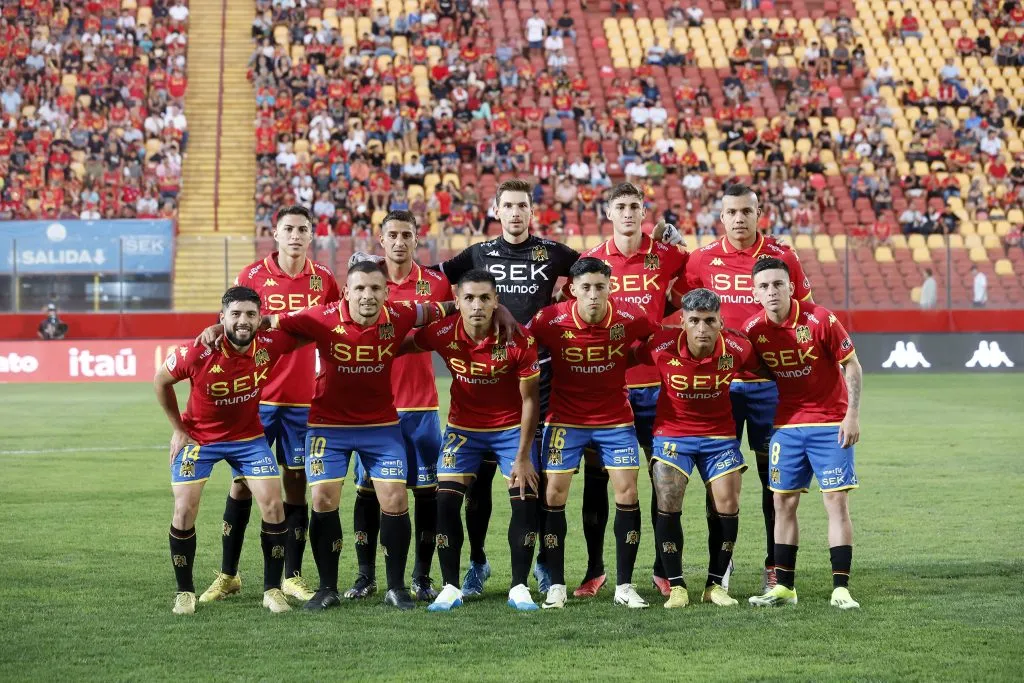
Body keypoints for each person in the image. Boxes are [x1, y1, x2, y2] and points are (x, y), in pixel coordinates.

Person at [431, 179, 579, 596]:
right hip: (487, 382)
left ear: (533, 212)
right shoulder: (478, 254)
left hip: (542, 380)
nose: (515, 213)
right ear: (496, 210)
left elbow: (593, 273)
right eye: (508, 206)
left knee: (542, 482)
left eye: (523, 206)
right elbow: (435, 277)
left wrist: (565, 296)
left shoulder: (553, 253)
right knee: (475, 484)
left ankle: (546, 567)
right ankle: (477, 561)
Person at [669, 183, 813, 594]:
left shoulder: (782, 257)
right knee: (720, 481)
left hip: (771, 387)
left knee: (776, 480)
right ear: (722, 217)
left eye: (746, 211)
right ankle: (722, 566)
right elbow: (676, 303)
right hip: (721, 388)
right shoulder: (702, 259)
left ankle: (774, 564)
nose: (739, 219)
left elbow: (804, 311)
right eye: (731, 212)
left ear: (759, 212)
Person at [199, 206, 340, 606]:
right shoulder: (252, 276)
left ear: (311, 236)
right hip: (256, 398)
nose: (295, 235)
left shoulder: (324, 280)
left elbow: (335, 326)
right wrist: (213, 326)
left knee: (296, 484)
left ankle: (292, 576)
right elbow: (229, 322)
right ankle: (228, 575)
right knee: (243, 484)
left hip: (303, 399)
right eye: (288, 229)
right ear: (275, 234)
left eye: (303, 230)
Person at [569, 183, 687, 598]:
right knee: (597, 481)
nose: (628, 213)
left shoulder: (667, 254)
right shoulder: (591, 261)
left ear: (644, 210)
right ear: (608, 212)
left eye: (635, 206)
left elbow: (688, 293)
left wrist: (683, 242)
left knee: (662, 479)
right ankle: (595, 569)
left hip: (658, 388)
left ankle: (662, 567)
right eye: (620, 207)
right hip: (606, 389)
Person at [403, 269, 542, 612]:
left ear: (496, 301)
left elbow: (530, 401)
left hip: (511, 431)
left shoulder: (518, 339)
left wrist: (523, 457)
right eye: (469, 298)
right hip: (463, 430)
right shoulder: (442, 332)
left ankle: (520, 586)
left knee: (525, 496)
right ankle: (450, 587)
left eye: (484, 298)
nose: (477, 305)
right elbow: (399, 346)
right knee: (445, 502)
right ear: (457, 301)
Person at [154, 287, 298, 615]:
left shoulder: (271, 344)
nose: (243, 320)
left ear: (260, 318)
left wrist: (274, 323)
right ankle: (185, 592)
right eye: (235, 314)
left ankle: (273, 590)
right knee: (184, 510)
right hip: (199, 440)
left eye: (250, 314)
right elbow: (160, 380)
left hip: (248, 440)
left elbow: (305, 329)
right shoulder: (197, 351)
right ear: (222, 318)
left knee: (274, 506)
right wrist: (179, 428)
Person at [528, 257, 660, 609]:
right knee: (554, 494)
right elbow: (518, 345)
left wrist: (629, 359)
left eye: (599, 287)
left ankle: (625, 586)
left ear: (610, 287)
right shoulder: (549, 319)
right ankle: (556, 585)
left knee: (627, 492)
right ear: (572, 290)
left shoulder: (629, 316)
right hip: (565, 421)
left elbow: (655, 340)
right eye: (585, 287)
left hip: (615, 420)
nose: (593, 295)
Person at [744, 257, 863, 610]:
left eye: (778, 284)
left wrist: (852, 415)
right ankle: (785, 588)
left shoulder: (820, 319)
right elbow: (757, 366)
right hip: (786, 427)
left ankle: (840, 588)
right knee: (782, 503)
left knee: (835, 502)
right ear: (755, 292)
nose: (771, 291)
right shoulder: (754, 329)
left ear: (791, 287)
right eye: (764, 286)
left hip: (830, 424)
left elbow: (851, 365)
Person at [346, 211, 452, 602]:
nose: (399, 242)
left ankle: (421, 577)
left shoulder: (437, 283)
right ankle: (365, 576)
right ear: (380, 239)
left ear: (417, 238)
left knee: (426, 493)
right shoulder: (366, 281)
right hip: (373, 408)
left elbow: (464, 309)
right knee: (368, 492)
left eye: (407, 234)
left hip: (421, 406)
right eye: (392, 234)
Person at [639, 289, 759, 608]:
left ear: (721, 321)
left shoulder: (739, 347)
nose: (702, 328)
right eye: (694, 321)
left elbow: (770, 370)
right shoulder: (660, 346)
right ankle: (676, 586)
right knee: (668, 495)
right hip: (672, 434)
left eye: (709, 320)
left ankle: (715, 585)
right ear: (682, 322)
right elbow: (619, 357)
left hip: (719, 437)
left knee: (728, 502)